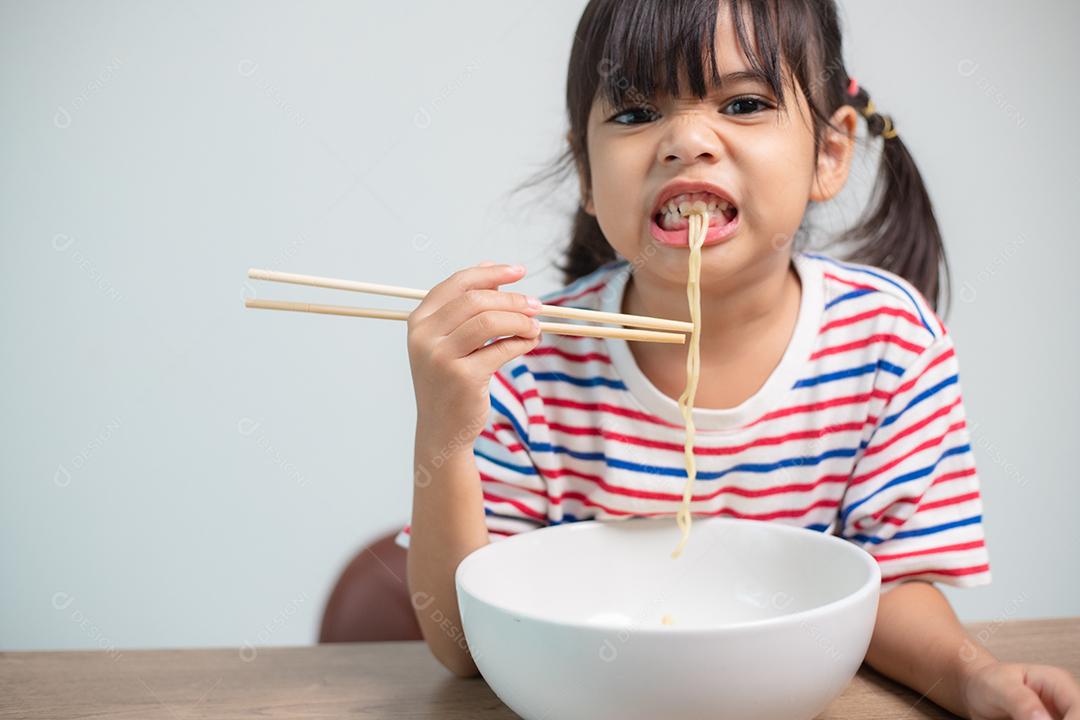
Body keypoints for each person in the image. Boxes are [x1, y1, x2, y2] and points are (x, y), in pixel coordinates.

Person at [398, 1, 1080, 717]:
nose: (687, 140)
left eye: (745, 103)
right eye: (635, 114)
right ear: (588, 177)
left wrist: (973, 678)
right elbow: (465, 648)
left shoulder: (889, 344)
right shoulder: (529, 363)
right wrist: (444, 427)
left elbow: (892, 585)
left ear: (830, 153)